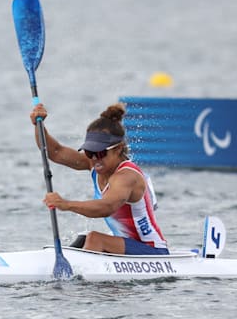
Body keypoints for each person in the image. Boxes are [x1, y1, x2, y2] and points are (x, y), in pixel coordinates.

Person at [30, 102, 169, 255]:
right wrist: (39, 125)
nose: (95, 158)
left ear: (118, 148)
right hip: (126, 246)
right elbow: (55, 152)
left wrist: (66, 204)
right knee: (83, 238)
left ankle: (79, 275)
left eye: (100, 152)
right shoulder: (95, 164)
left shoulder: (127, 177)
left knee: (95, 239)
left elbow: (106, 207)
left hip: (153, 252)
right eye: (90, 152)